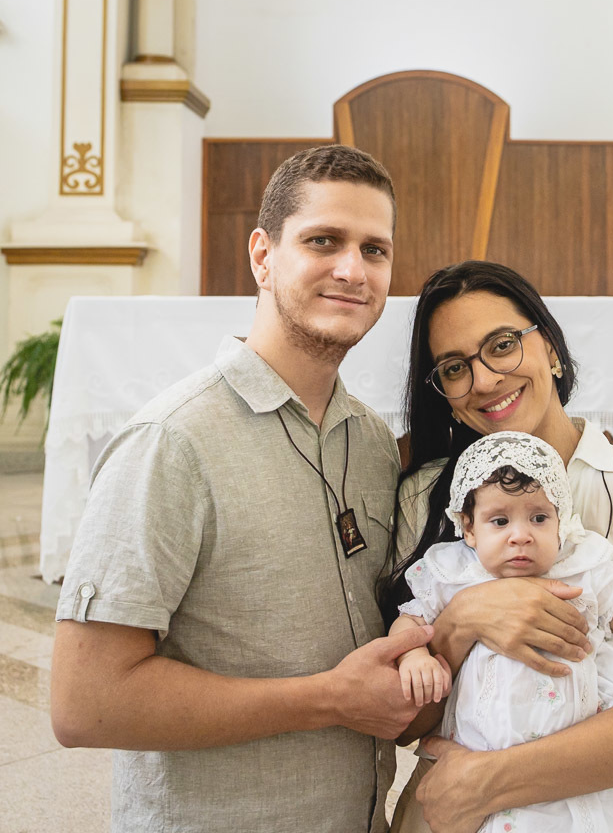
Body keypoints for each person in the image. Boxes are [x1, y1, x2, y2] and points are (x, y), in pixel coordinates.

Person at [51, 145, 436, 833]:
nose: (352, 270)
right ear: (263, 255)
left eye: (375, 250)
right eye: (323, 241)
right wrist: (329, 700)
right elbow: (85, 704)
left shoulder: (371, 439)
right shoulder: (173, 442)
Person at [382, 261, 613, 833]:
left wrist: (487, 780)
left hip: (595, 816)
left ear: (549, 346)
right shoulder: (427, 499)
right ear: (443, 393)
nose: (486, 379)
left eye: (502, 344)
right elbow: (401, 719)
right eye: (454, 368)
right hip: (448, 819)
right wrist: (464, 620)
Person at [390, 431, 613, 833]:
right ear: (468, 529)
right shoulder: (453, 573)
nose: (521, 535)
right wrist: (414, 655)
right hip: (476, 772)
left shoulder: (581, 569)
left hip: (569, 776)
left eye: (539, 518)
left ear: (561, 521)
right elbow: (411, 619)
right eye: (499, 521)